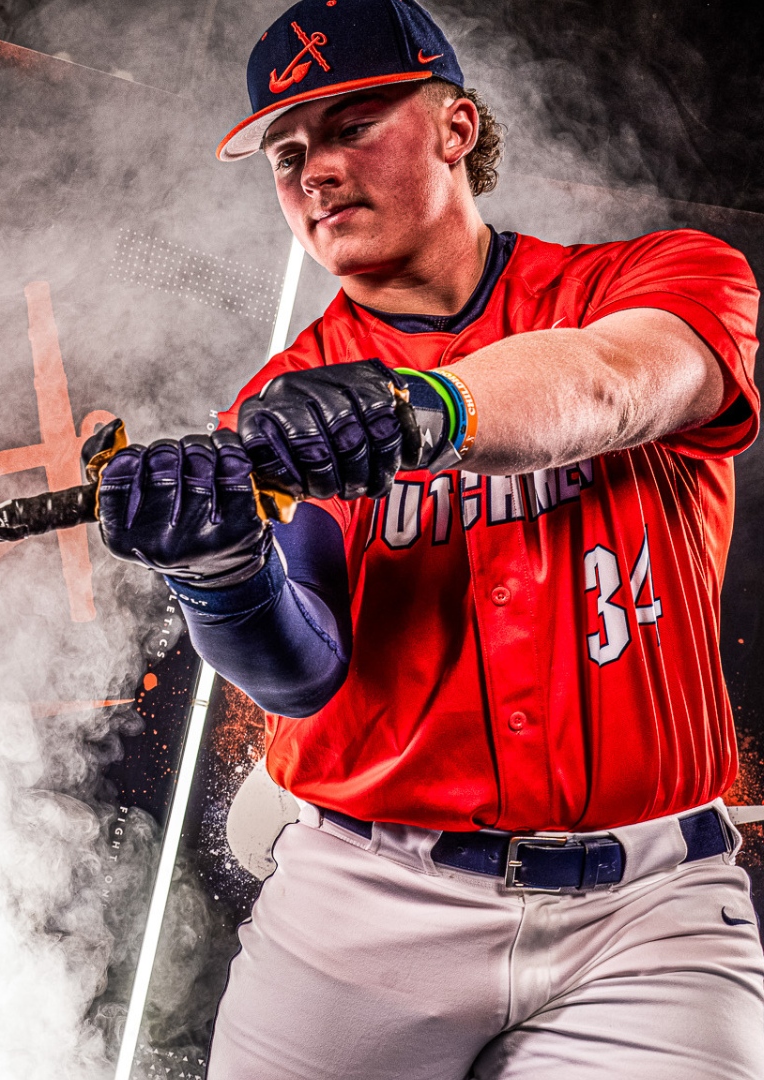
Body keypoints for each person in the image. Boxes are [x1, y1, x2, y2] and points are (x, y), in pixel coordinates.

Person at [82, 1, 764, 1076]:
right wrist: (218, 574)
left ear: (456, 126)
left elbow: (616, 382)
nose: (315, 170)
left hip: (653, 914)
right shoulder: (277, 404)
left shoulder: (656, 280)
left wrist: (417, 412)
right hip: (365, 904)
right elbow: (302, 676)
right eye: (288, 151)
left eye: (353, 124)